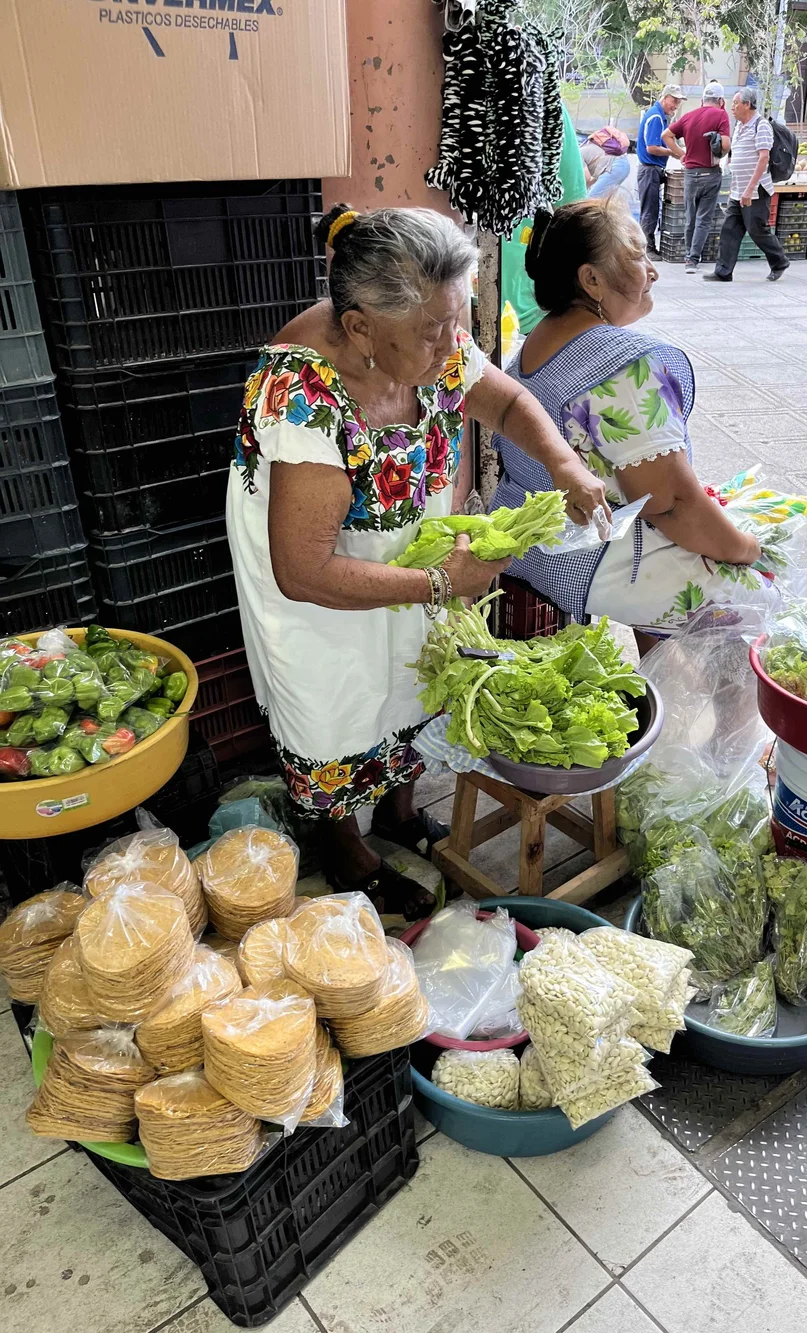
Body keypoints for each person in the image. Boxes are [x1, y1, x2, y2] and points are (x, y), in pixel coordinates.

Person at [227, 204, 607, 917]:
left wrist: (564, 465)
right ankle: (348, 850)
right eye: (434, 331)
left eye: (455, 320)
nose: (451, 344)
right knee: (338, 697)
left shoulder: (432, 334)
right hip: (325, 583)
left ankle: (400, 814)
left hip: (409, 555)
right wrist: (439, 581)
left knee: (414, 673)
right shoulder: (304, 395)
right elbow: (302, 571)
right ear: (363, 326)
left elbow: (507, 401)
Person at [487, 196, 772, 658]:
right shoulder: (624, 366)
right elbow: (673, 505)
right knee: (760, 599)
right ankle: (722, 729)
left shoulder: (537, 345)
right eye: (638, 255)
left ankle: (663, 679)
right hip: (594, 560)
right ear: (591, 279)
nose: (652, 270)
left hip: (544, 552)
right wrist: (746, 549)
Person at [503, 102, 588, 337]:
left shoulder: (546, 102)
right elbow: (573, 204)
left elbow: (573, 206)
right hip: (503, 302)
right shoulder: (543, 100)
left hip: (521, 305)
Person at [703, 87, 788, 283]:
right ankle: (723, 271)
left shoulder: (762, 126)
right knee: (730, 229)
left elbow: (763, 158)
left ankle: (779, 262)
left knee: (757, 230)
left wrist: (749, 190)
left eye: (735, 104)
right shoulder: (741, 126)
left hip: (755, 190)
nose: (732, 108)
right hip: (739, 189)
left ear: (747, 105)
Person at [663, 81, 732, 273]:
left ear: (702, 100)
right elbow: (725, 145)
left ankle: (687, 256)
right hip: (710, 174)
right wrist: (718, 143)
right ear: (721, 100)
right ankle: (693, 259)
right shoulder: (721, 115)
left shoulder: (688, 117)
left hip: (690, 175)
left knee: (690, 216)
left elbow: (666, 135)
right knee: (703, 218)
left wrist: (681, 154)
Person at [637, 84, 686, 259]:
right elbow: (652, 148)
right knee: (649, 210)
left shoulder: (661, 117)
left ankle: (649, 247)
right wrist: (673, 152)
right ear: (664, 97)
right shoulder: (656, 117)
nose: (676, 105)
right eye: (674, 101)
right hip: (649, 170)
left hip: (654, 170)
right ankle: (647, 249)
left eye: (678, 102)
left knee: (652, 208)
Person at [581, 126, 631, 198]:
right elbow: (594, 178)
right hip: (623, 164)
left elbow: (587, 179)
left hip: (615, 167)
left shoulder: (578, 154)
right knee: (601, 200)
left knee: (591, 199)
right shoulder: (586, 148)